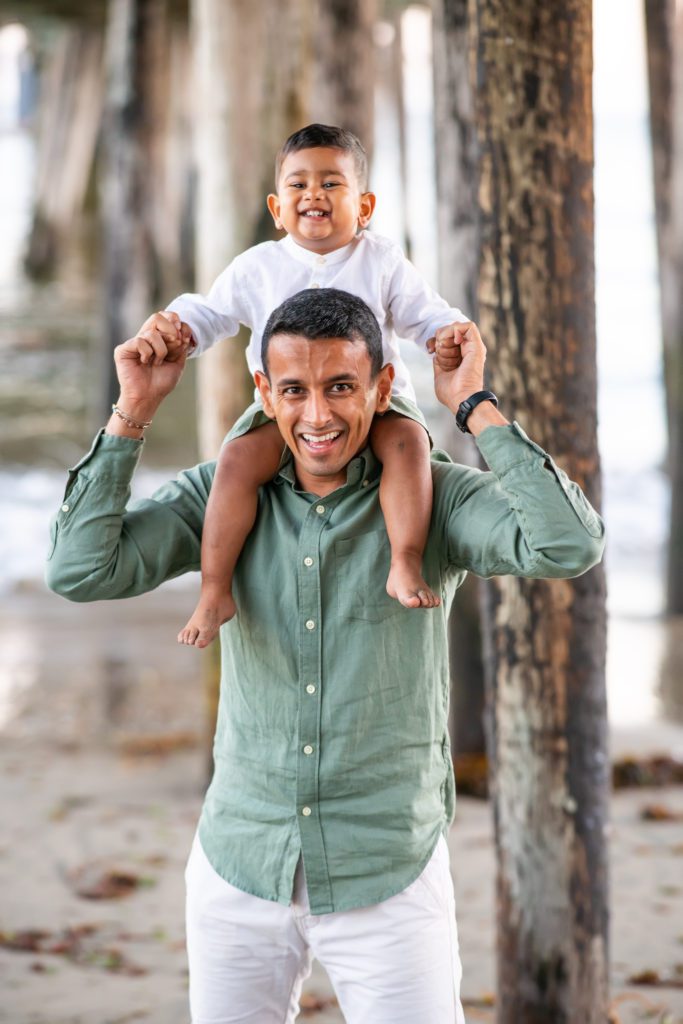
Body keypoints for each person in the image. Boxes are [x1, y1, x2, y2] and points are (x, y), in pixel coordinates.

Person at [46, 288, 605, 1024]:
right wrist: (135, 410)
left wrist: (473, 405)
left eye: (341, 387)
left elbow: (567, 543)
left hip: (386, 873)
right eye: (294, 390)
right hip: (239, 864)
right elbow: (80, 570)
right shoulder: (220, 495)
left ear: (380, 386)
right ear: (263, 391)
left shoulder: (434, 498)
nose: (317, 415)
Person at [139, 123, 471, 649]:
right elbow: (211, 313)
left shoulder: (381, 260)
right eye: (298, 185)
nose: (313, 193)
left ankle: (404, 560)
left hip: (375, 405)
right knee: (235, 462)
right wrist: (178, 330)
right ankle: (214, 588)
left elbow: (424, 315)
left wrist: (446, 336)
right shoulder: (259, 266)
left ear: (364, 206)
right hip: (283, 409)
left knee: (410, 447)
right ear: (276, 207)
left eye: (332, 183)